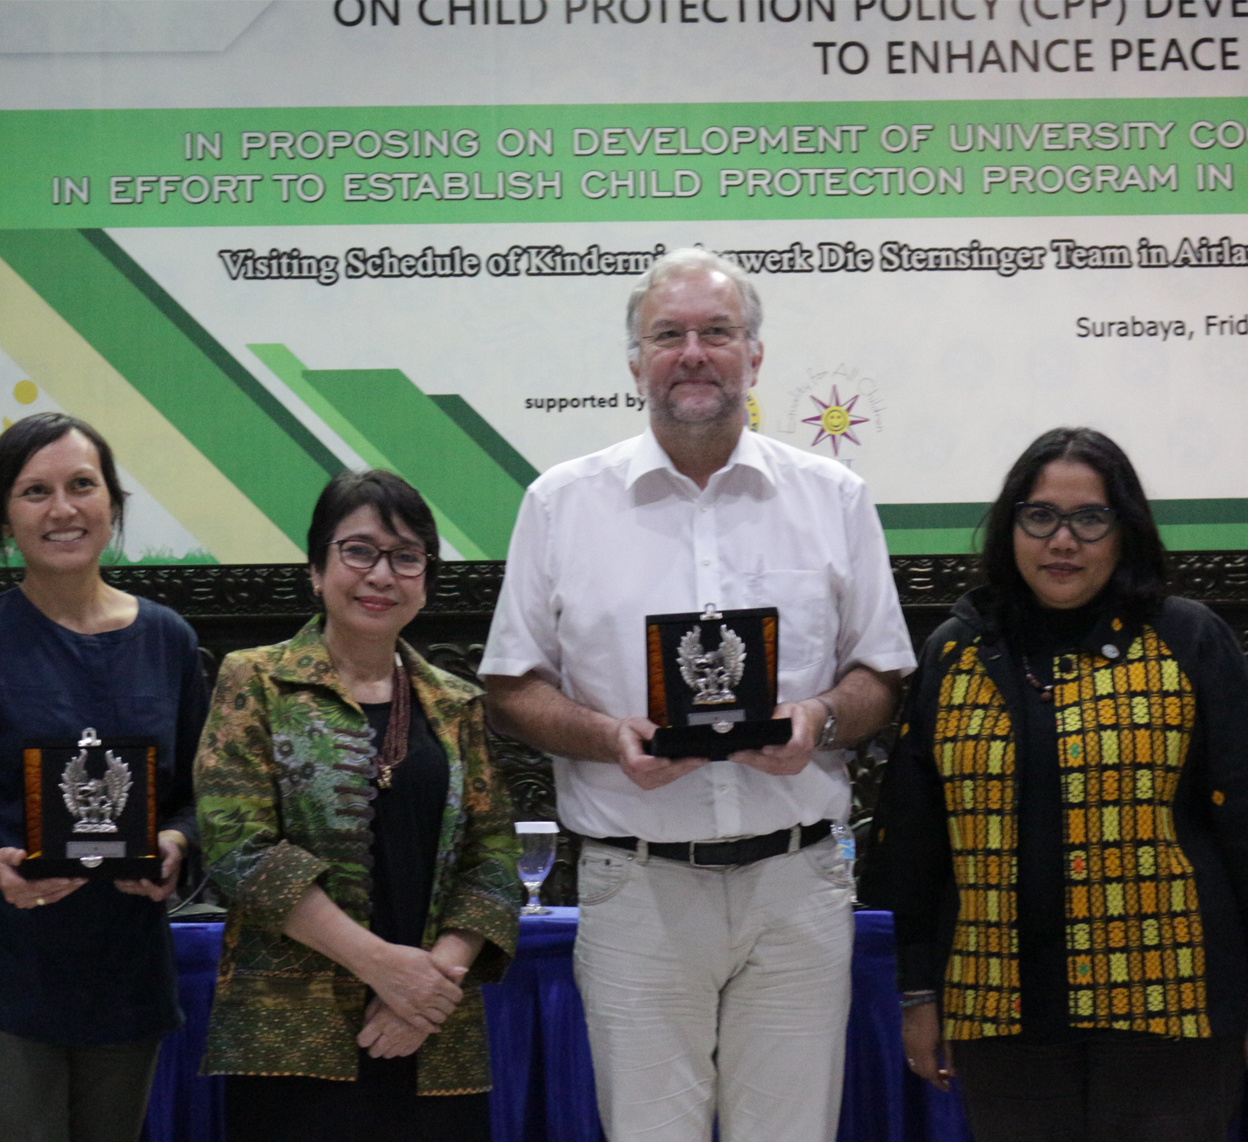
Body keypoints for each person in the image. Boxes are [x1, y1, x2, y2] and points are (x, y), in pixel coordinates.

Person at [480, 248, 916, 1142]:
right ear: (635, 361)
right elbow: (510, 688)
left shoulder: (833, 497)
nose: (693, 353)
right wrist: (609, 739)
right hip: (635, 888)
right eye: (668, 335)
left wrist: (820, 718)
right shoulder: (561, 505)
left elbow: (884, 676)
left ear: (754, 356)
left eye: (717, 332)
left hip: (797, 885)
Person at [860, 427, 1248, 1142]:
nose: (1061, 540)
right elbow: (916, 845)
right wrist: (918, 994)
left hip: (1170, 1007)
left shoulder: (1188, 640)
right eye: (1039, 517)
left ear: (1123, 530)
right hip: (997, 1009)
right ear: (1011, 527)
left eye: (1089, 519)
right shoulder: (955, 652)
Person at [0, 412, 209, 1142]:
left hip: (124, 974)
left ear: (113, 503)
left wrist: (173, 844)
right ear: (4, 520)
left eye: (82, 485)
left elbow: (203, 801)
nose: (63, 509)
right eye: (34, 491)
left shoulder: (168, 638)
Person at [196, 469, 521, 1142]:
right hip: (291, 1044)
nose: (382, 574)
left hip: (434, 1034)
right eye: (359, 550)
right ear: (317, 568)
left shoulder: (457, 704)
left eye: (406, 557)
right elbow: (239, 850)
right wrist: (383, 966)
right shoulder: (254, 680)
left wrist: (426, 992)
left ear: (426, 578)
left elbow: (493, 863)